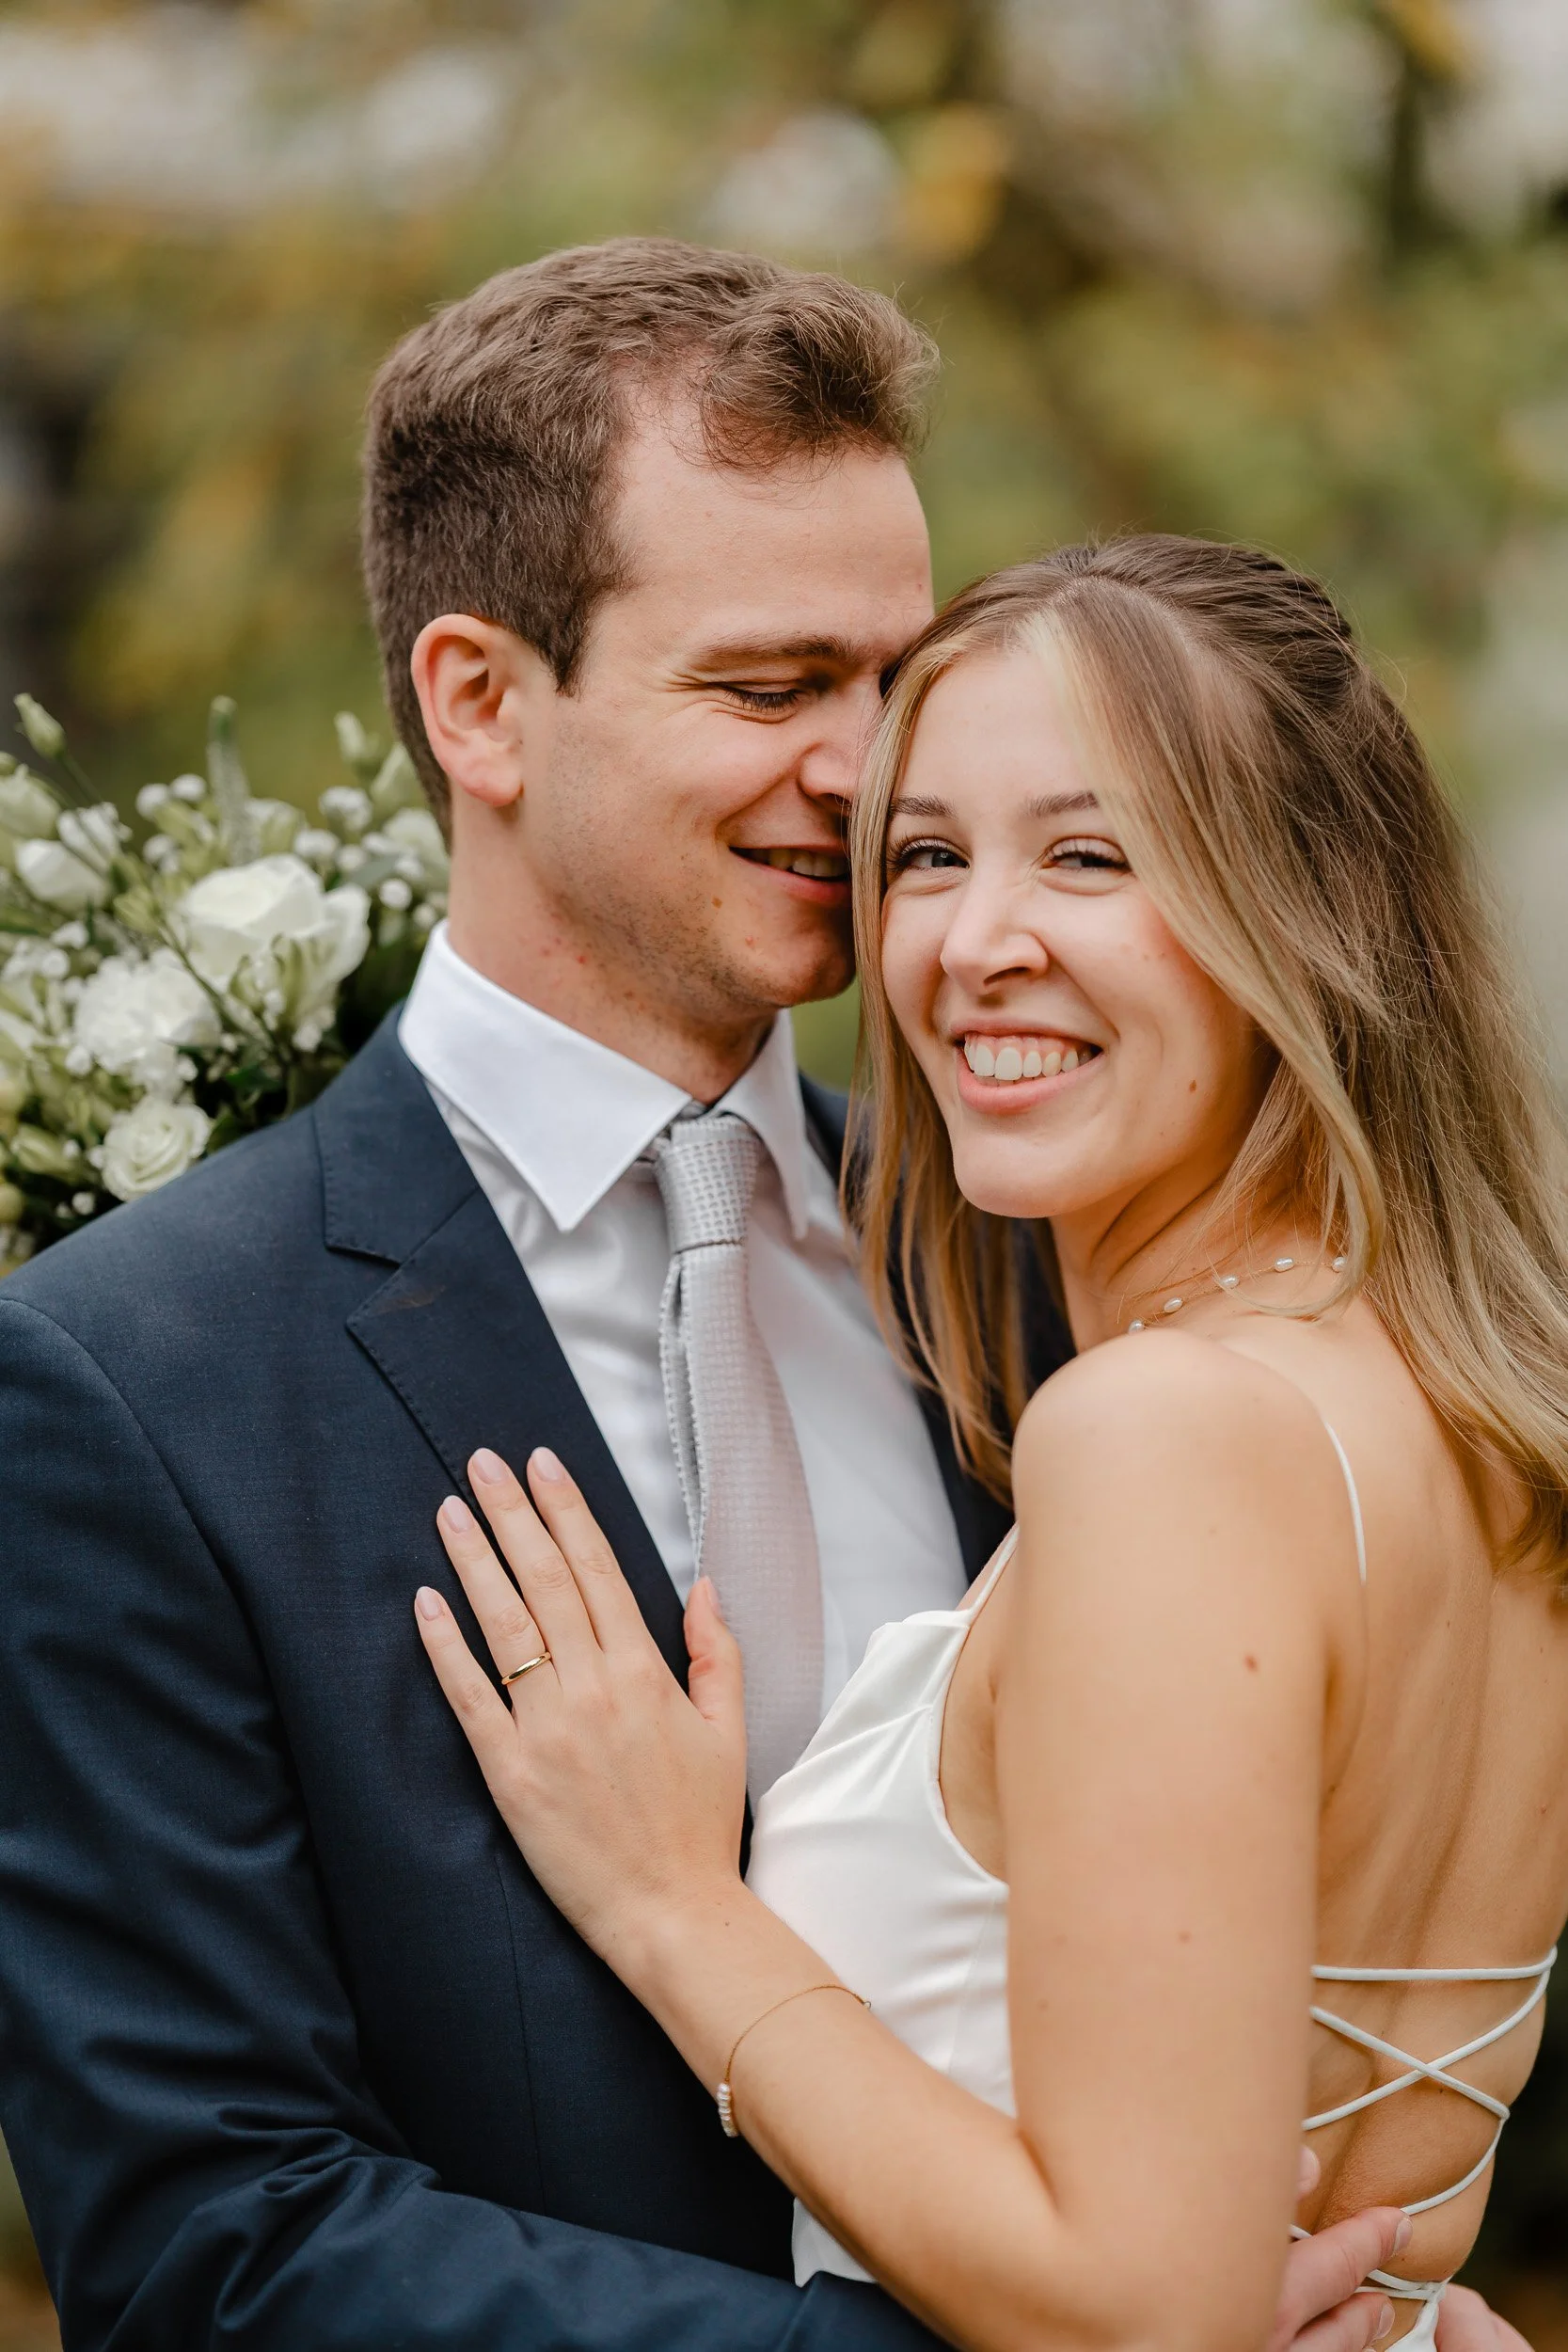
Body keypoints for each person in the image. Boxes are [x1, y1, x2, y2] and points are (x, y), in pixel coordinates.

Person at [0, 244, 1488, 2352]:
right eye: (772, 689)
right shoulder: (131, 1380)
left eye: (897, 676)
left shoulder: (1064, 1259)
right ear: (478, 702)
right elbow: (214, 2243)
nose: (871, 778)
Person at [408, 538, 1568, 2351]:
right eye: (928, 854)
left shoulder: (1167, 1433)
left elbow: (1138, 2310)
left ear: (1312, 914)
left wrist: (670, 1911)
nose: (971, 942)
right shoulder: (1462, 1409)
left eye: (1090, 857)